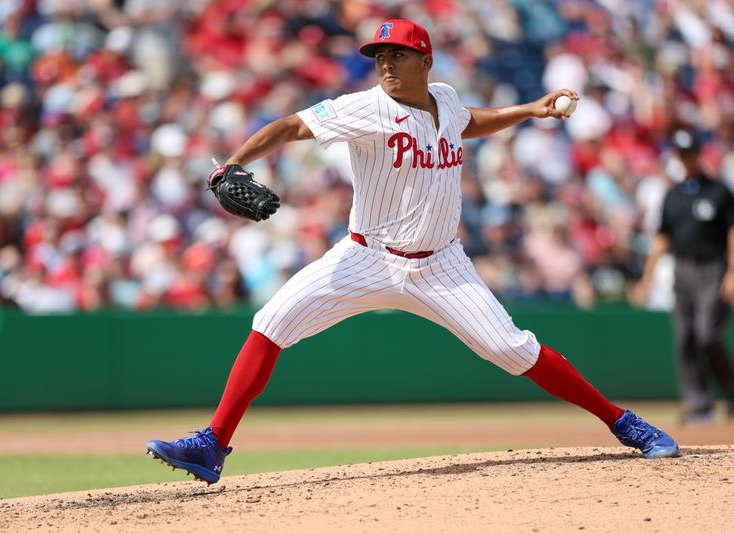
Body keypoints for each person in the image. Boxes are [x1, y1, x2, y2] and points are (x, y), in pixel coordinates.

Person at [146, 19, 680, 485]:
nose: (385, 65)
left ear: (425, 59)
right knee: (270, 323)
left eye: (396, 54)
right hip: (365, 256)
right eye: (379, 56)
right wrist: (231, 164)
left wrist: (528, 110)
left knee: (514, 350)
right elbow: (289, 126)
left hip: (441, 264)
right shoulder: (364, 108)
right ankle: (214, 443)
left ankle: (623, 422)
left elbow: (469, 121)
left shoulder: (444, 98)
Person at [634, 128, 734, 424]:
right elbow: (662, 239)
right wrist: (646, 278)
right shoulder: (672, 196)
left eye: (689, 154)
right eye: (681, 154)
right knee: (684, 337)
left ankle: (733, 389)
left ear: (699, 155)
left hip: (713, 267)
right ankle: (698, 403)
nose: (685, 159)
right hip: (682, 268)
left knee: (707, 334)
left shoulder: (719, 191)